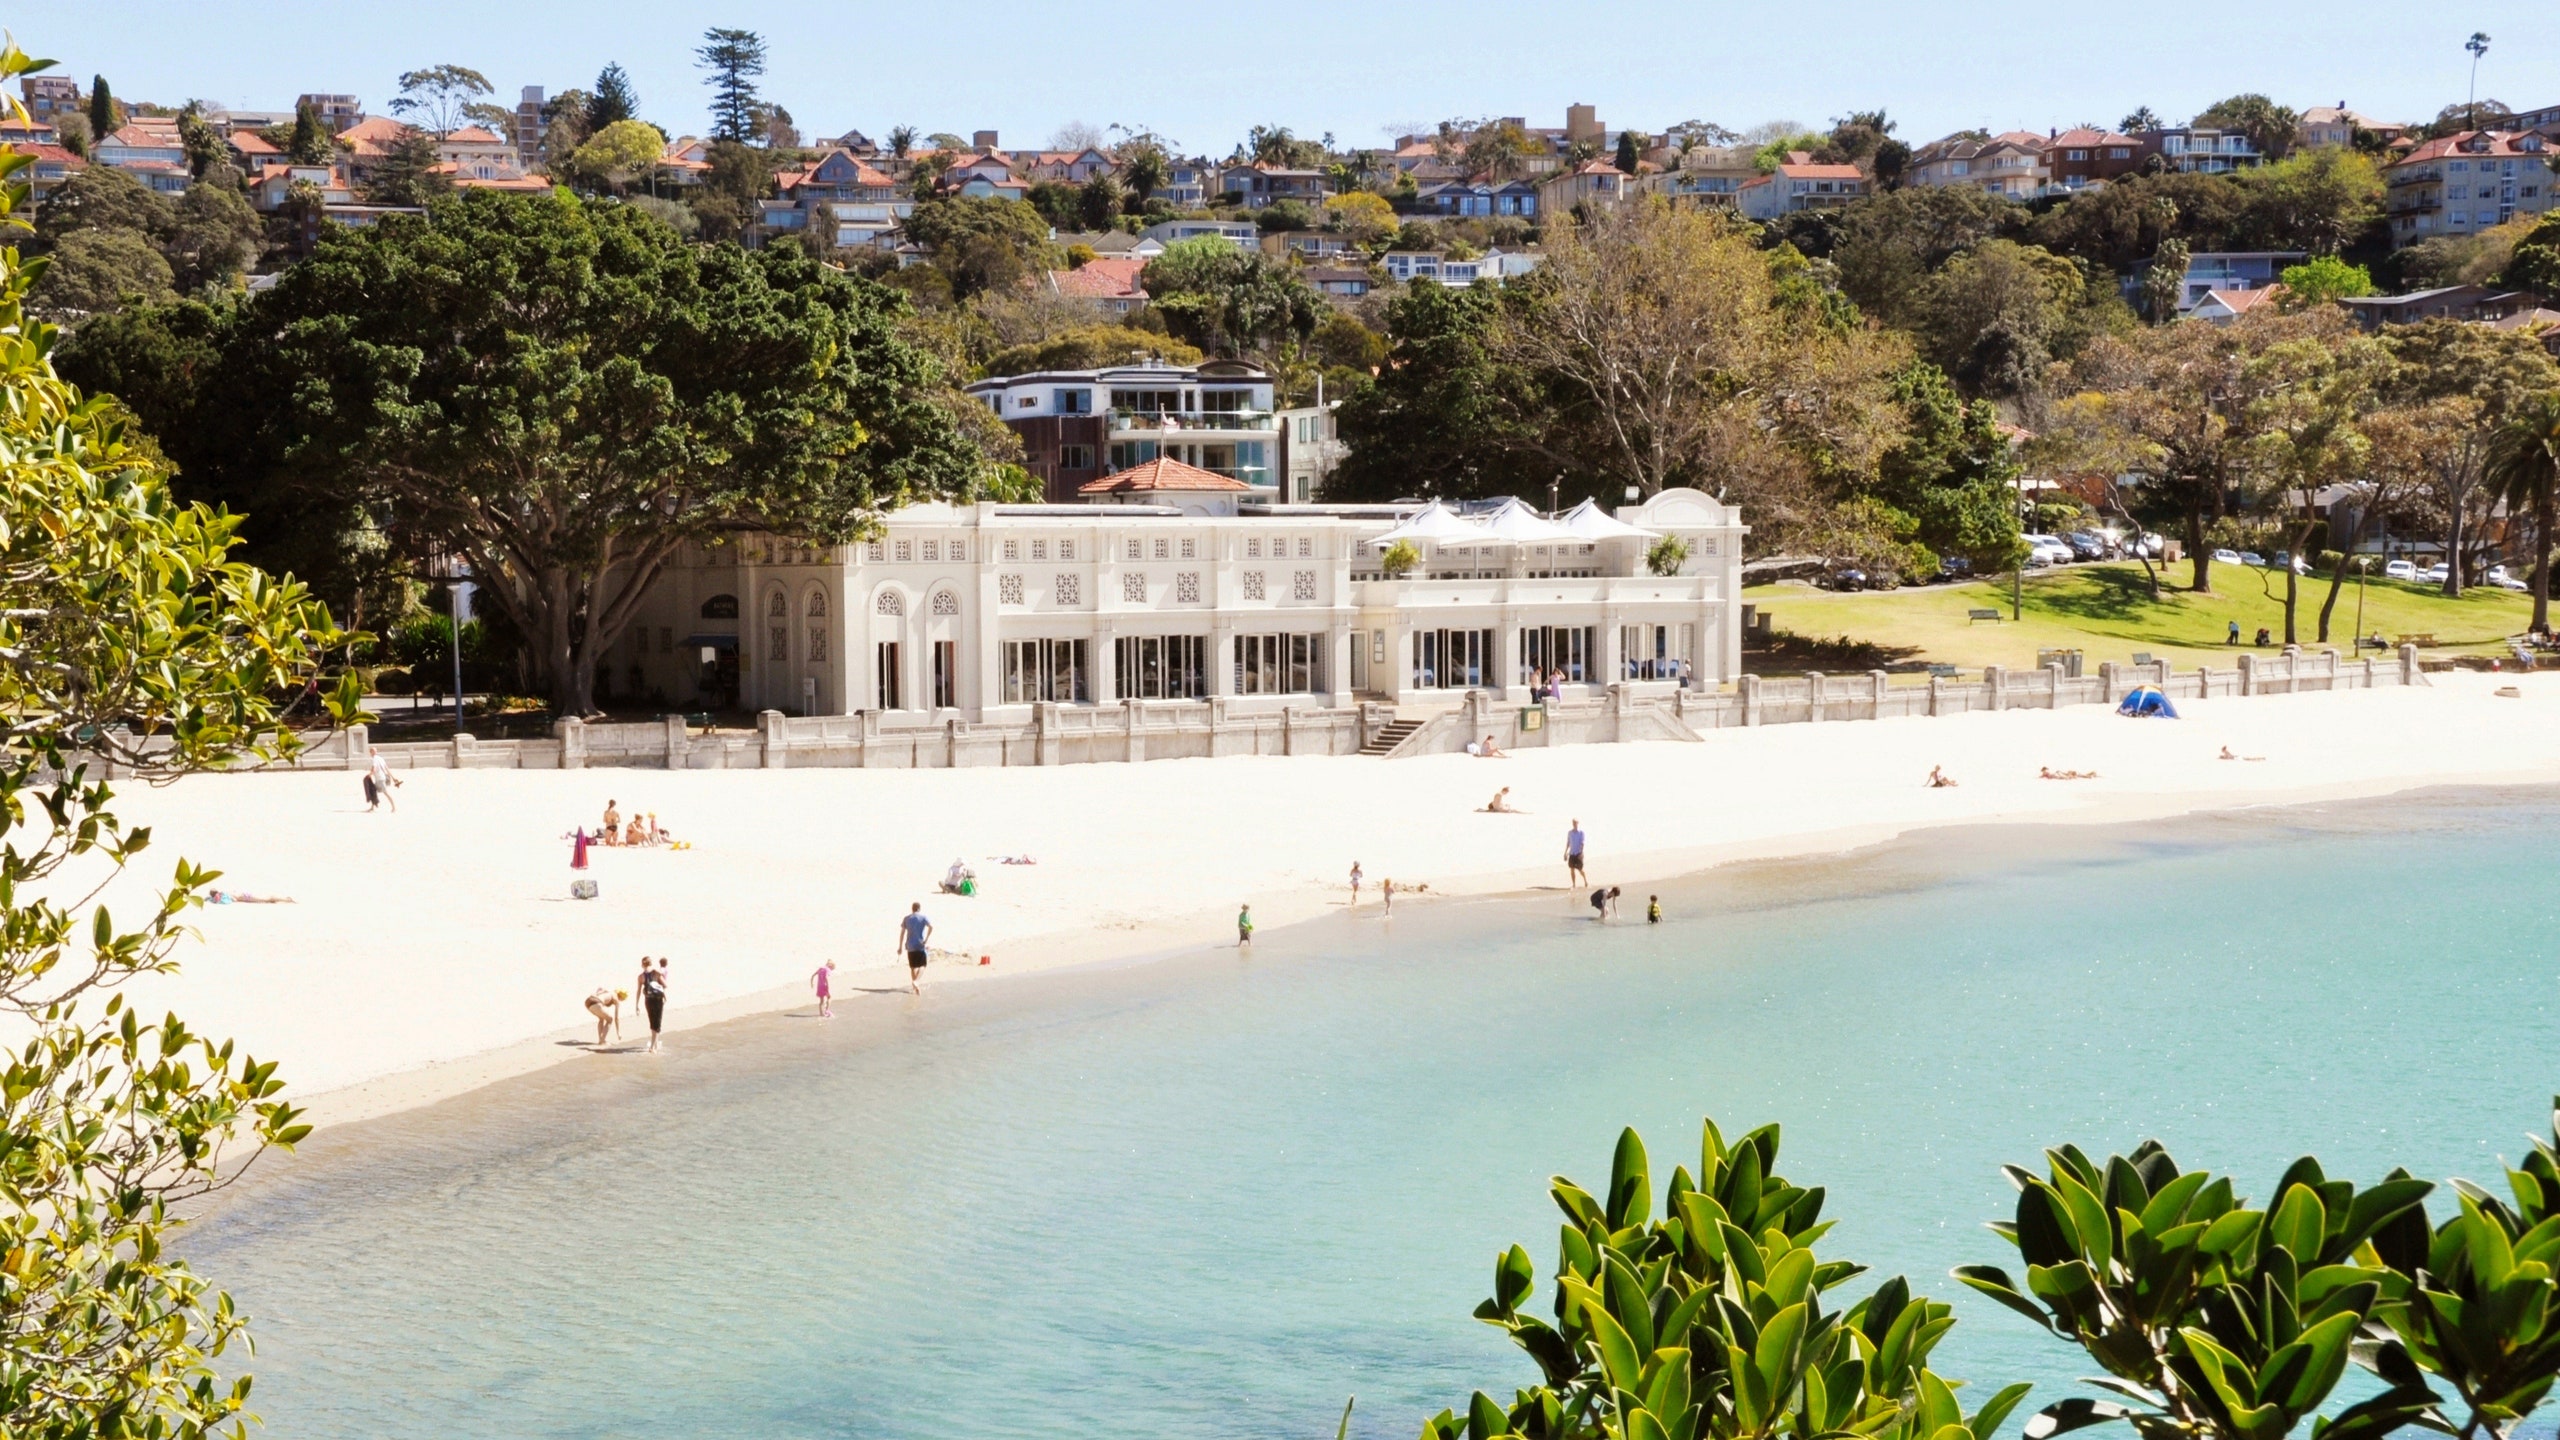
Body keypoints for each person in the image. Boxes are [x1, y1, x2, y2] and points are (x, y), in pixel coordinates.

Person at [897, 904, 932, 994]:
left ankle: (915, 988)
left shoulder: (907, 918)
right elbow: (931, 927)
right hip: (920, 945)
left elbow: (902, 934)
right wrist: (927, 939)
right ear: (919, 909)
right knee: (923, 965)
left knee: (913, 967)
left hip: (910, 946)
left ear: (912, 909)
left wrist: (900, 947)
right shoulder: (923, 917)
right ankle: (916, 981)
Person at [639, 958, 668, 1053]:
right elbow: (665, 985)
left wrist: (636, 1005)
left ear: (642, 965)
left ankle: (655, 1044)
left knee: (652, 1022)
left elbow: (638, 991)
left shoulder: (641, 976)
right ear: (651, 963)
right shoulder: (656, 972)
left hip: (648, 1000)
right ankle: (652, 1047)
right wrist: (664, 996)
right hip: (658, 1000)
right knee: (657, 1022)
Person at [1566, 820, 1587, 885]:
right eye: (1573, 823)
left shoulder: (1581, 833)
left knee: (1580, 869)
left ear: (1578, 823)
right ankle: (1574, 884)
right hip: (1572, 853)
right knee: (1572, 869)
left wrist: (1581, 852)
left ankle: (1585, 881)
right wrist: (1565, 852)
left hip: (1578, 853)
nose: (1574, 824)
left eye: (1575, 823)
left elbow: (1582, 843)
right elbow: (1568, 842)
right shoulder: (1570, 832)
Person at [207, 889, 295, 904]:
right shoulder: (221, 894)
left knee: (267, 899)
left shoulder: (223, 894)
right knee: (267, 900)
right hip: (245, 896)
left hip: (246, 897)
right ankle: (286, 899)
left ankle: (287, 899)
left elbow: (233, 900)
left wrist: (216, 901)